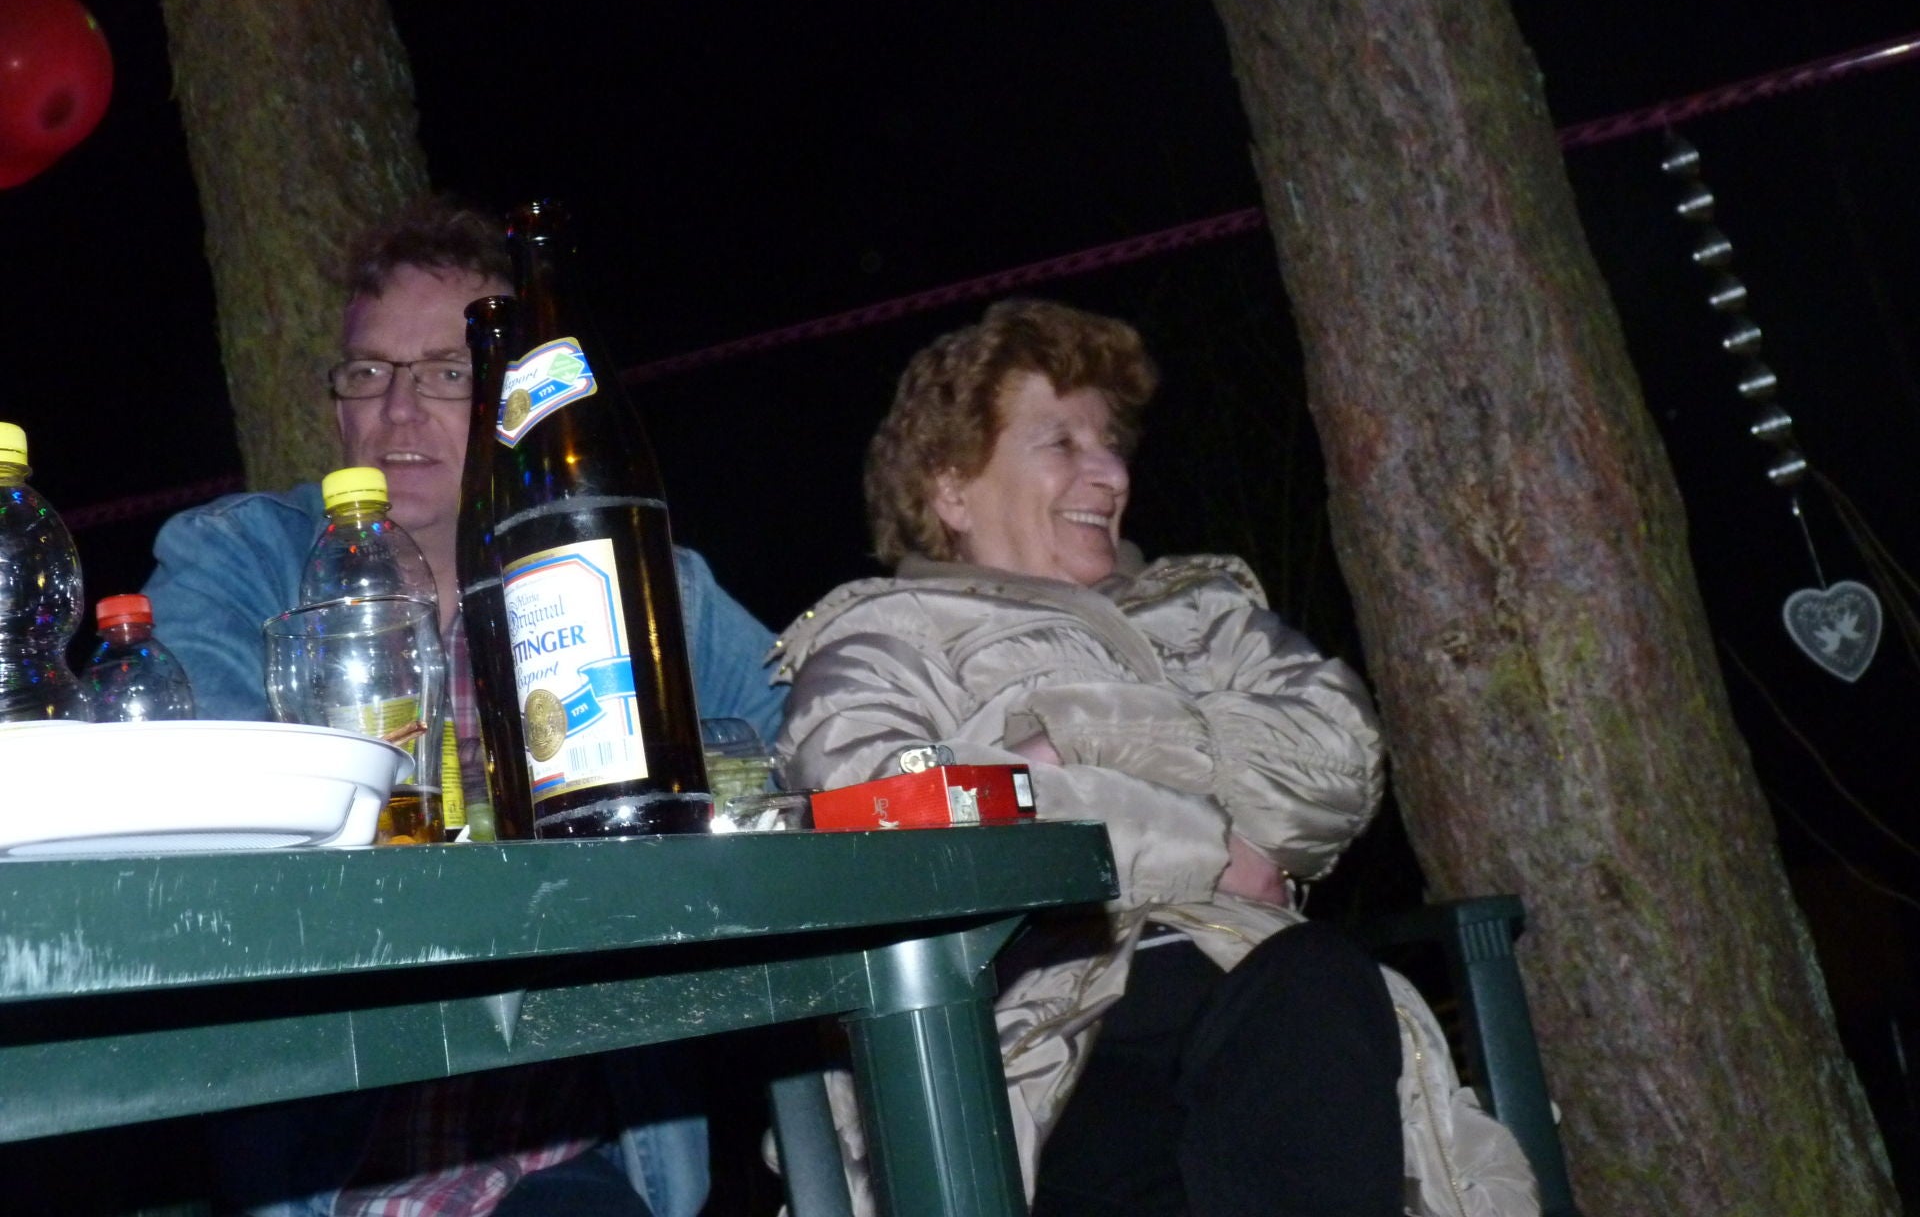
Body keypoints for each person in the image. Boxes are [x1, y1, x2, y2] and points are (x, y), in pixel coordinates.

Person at [773, 300, 1538, 1217]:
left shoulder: (1209, 611)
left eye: (1110, 443)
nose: (1108, 472)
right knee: (1303, 1001)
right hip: (1033, 1039)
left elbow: (1335, 764)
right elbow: (906, 819)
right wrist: (1208, 844)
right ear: (952, 491)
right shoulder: (880, 641)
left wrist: (1084, 737)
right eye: (1060, 442)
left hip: (1256, 998)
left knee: (1311, 991)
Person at [144, 196, 786, 1217]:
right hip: (333, 1156)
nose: (399, 411)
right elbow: (213, 796)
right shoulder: (239, 558)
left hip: (568, 1153)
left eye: (448, 373)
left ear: (516, 396)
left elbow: (801, 734)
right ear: (337, 406)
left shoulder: (633, 575)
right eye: (369, 373)